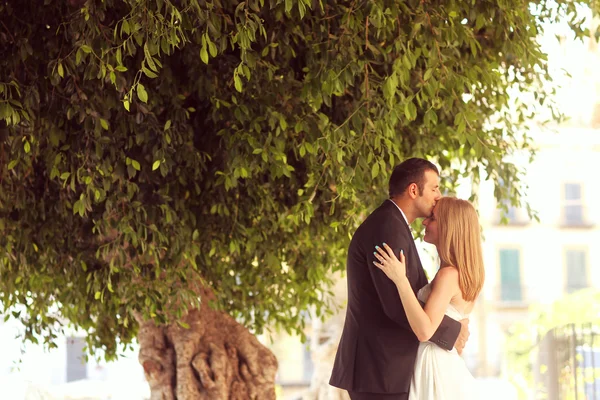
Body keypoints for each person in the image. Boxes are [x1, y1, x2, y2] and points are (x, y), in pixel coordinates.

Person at [329, 158, 470, 400]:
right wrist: (452, 329)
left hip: (384, 369)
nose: (438, 196)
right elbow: (395, 304)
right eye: (435, 188)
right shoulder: (387, 227)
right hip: (378, 370)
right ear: (414, 190)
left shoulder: (394, 225)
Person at [373, 196, 485, 399]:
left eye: (432, 218)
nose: (424, 221)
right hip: (445, 363)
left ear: (449, 226)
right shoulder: (464, 274)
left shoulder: (449, 275)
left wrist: (400, 279)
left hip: (434, 365)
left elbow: (425, 331)